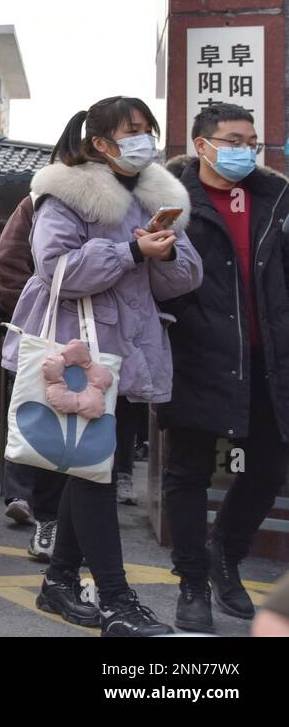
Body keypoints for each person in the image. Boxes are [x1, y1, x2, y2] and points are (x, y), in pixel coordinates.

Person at [2, 95, 202, 637]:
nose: (143, 139)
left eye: (147, 129)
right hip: (78, 355)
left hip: (127, 355)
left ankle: (60, 580)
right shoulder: (65, 192)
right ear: (100, 143)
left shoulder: (155, 195)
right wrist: (133, 253)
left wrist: (164, 251)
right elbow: (57, 268)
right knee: (93, 477)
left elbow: (185, 278)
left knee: (98, 471)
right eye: (131, 130)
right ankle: (115, 599)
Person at [160, 102, 289, 633]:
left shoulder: (275, 197)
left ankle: (224, 555)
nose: (245, 151)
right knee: (187, 472)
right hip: (197, 353)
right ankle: (192, 582)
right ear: (201, 143)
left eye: (252, 142)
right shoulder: (170, 199)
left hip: (269, 359)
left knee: (269, 466)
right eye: (234, 140)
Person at [0, 189, 68, 563]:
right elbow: (8, 265)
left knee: (85, 438)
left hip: (100, 345)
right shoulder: (37, 202)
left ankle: (60, 520)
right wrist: (32, 314)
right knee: (31, 417)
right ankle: (25, 499)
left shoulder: (129, 202)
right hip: (41, 335)